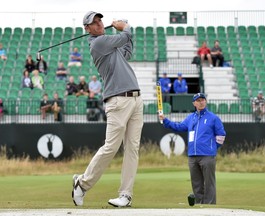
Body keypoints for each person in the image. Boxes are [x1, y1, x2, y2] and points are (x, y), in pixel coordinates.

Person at [72, 11, 143, 208]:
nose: (99, 24)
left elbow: (127, 51)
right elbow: (124, 37)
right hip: (118, 100)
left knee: (132, 149)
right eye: (93, 23)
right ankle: (82, 183)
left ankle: (125, 195)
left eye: (100, 21)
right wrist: (125, 27)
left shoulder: (110, 46)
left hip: (136, 98)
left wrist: (127, 32)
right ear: (87, 29)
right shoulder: (98, 43)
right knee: (111, 147)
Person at [159, 93, 226, 204]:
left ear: (206, 101)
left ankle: (210, 206)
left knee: (209, 183)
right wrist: (165, 120)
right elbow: (179, 127)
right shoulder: (191, 118)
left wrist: (213, 148)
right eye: (198, 100)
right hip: (192, 156)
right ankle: (199, 205)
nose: (201, 102)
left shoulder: (213, 118)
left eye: (203, 100)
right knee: (196, 183)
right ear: (194, 103)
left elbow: (221, 135)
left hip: (207, 156)